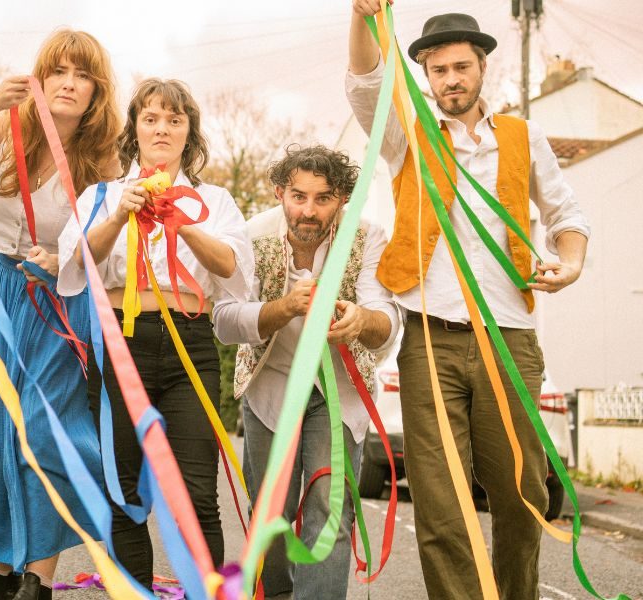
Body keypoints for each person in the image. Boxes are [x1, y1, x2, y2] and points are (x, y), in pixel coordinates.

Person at [347, 4, 590, 599]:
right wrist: (360, 18)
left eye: (461, 67)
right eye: (438, 70)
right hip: (430, 339)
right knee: (441, 499)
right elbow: (366, 85)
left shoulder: (522, 135)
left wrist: (572, 262)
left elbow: (565, 212)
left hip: (510, 338)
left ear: (482, 68)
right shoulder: (407, 134)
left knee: (522, 493)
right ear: (426, 76)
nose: (450, 79)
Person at [57, 78, 255, 591]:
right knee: (125, 494)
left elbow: (233, 268)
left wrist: (181, 223)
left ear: (189, 132)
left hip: (191, 346)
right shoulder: (101, 194)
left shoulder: (214, 199)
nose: (162, 128)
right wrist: (121, 212)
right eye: (151, 118)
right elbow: (76, 264)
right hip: (122, 344)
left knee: (196, 494)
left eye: (174, 119)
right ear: (135, 129)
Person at [0, 29, 122, 600]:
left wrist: (65, 258)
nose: (69, 84)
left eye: (82, 75)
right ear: (40, 78)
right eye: (58, 72)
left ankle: (38, 580)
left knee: (45, 435)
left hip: (60, 300)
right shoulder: (8, 127)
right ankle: (5, 573)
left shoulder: (103, 155)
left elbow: (102, 245)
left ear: (97, 90)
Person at [212, 144, 398, 600]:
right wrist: (282, 309)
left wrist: (360, 320)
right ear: (279, 192)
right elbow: (224, 320)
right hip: (270, 391)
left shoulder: (369, 237)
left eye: (323, 198)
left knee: (329, 509)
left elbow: (387, 321)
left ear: (343, 200)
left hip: (342, 398)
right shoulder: (251, 236)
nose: (309, 211)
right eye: (298, 197)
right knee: (270, 514)